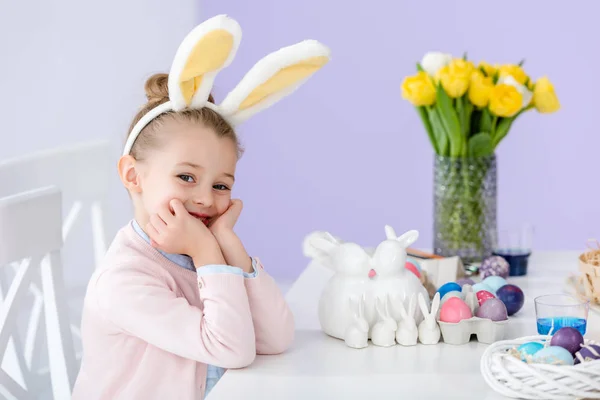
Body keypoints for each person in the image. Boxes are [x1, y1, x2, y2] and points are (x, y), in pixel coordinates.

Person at [72, 14, 330, 400]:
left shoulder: (201, 247)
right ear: (133, 175)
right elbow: (232, 350)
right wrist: (207, 251)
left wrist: (229, 246)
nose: (207, 199)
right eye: (186, 177)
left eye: (221, 184)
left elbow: (276, 338)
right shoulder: (124, 281)